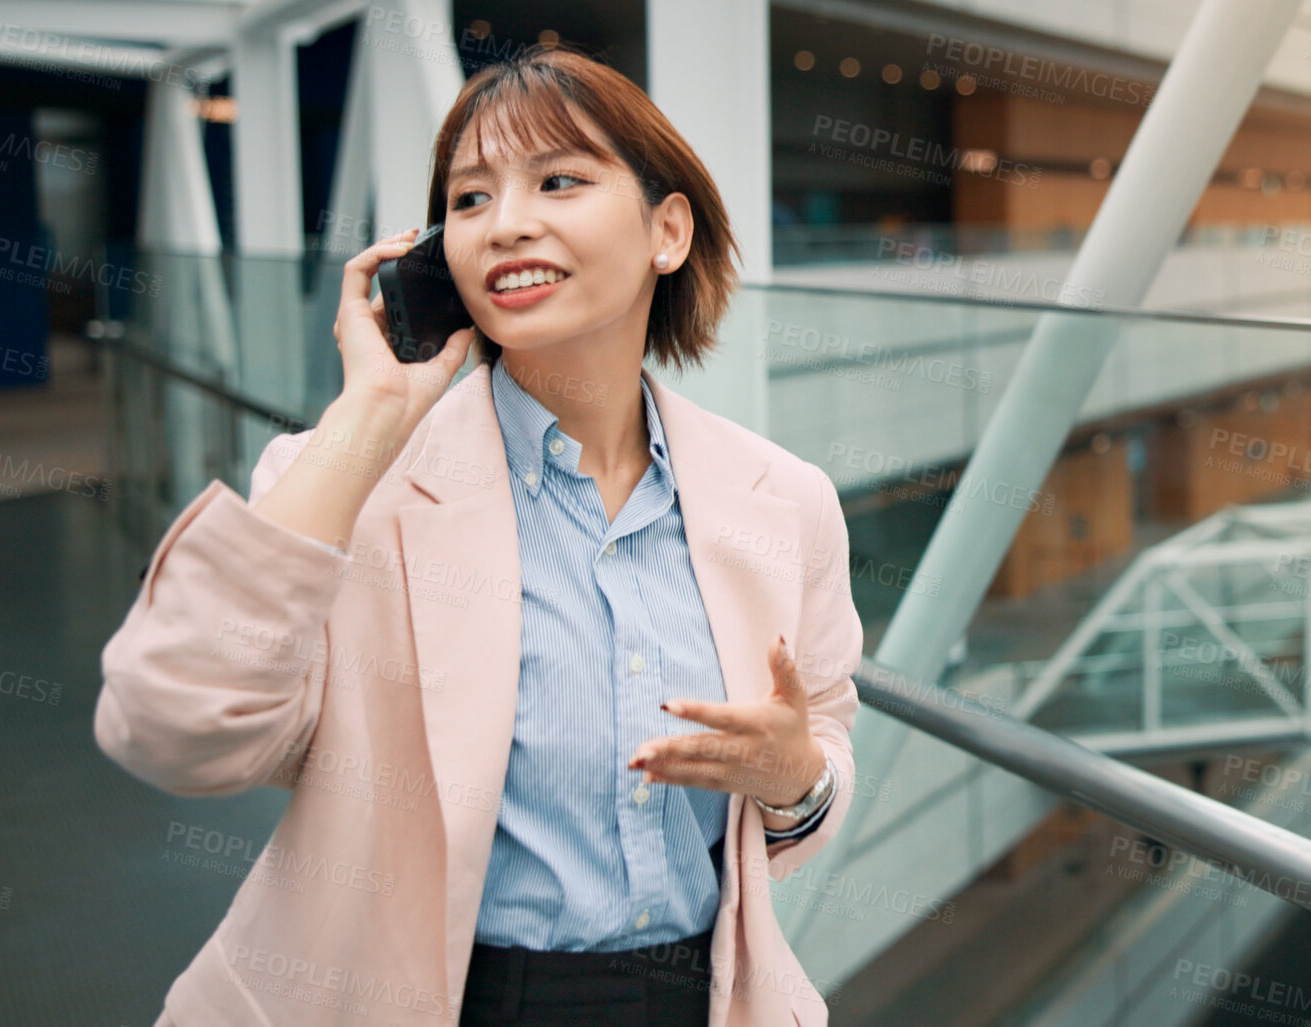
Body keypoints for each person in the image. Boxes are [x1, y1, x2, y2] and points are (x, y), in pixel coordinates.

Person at [95, 47, 861, 1027]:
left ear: (669, 230)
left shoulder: (782, 501)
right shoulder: (347, 484)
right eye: (468, 200)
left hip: (701, 998)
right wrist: (369, 422)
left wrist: (793, 777)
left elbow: (825, 744)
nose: (506, 224)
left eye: (559, 181)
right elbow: (168, 727)